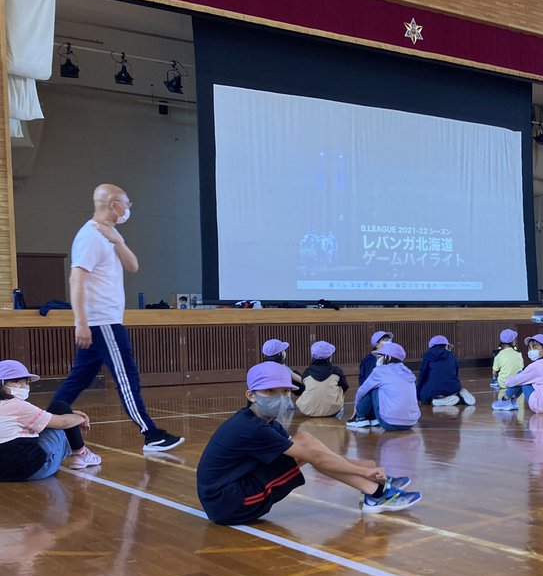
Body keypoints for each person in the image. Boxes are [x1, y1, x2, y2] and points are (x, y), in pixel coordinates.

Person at [197, 362, 420, 523]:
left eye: (285, 391)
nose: (279, 397)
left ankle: (371, 487)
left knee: (303, 439)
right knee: (308, 454)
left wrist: (365, 467)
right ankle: (376, 492)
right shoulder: (253, 429)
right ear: (251, 395)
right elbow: (314, 458)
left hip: (231, 491)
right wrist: (364, 470)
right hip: (228, 504)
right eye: (270, 391)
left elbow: (311, 450)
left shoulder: (261, 421)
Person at [51, 184, 183, 452]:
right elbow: (76, 279)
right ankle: (151, 434)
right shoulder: (90, 236)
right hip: (103, 323)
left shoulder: (109, 235)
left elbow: (133, 266)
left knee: (79, 379)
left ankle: (42, 422)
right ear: (113, 204)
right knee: (126, 378)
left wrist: (118, 241)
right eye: (126, 203)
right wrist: (81, 322)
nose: (128, 208)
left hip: (105, 322)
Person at [0, 359, 101, 480]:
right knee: (60, 408)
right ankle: (81, 454)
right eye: (17, 382)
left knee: (49, 419)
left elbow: (38, 416)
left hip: (3, 474)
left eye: (26, 383)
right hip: (34, 471)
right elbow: (63, 422)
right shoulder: (18, 406)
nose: (23, 386)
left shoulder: (17, 409)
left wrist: (69, 415)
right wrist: (81, 418)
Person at [349, 342, 420, 431]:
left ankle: (361, 418)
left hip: (389, 422)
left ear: (388, 357)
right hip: (411, 422)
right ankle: (373, 418)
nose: (378, 359)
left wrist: (356, 407)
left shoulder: (380, 371)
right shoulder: (408, 372)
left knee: (372, 388)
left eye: (379, 357)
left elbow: (362, 391)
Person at [491, 334, 543, 413]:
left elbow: (510, 382)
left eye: (535, 348)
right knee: (524, 377)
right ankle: (511, 401)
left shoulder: (537, 365)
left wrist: (508, 381)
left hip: (541, 406)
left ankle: (505, 400)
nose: (531, 351)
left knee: (522, 379)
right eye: (529, 348)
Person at [416, 335, 475, 406]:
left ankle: (436, 399)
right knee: (452, 388)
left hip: (433, 390)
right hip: (453, 388)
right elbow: (456, 373)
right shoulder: (452, 355)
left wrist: (418, 395)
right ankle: (459, 395)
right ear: (445, 345)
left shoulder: (427, 356)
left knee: (425, 395)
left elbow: (422, 376)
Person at [295, 341, 349, 417]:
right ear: (330, 357)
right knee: (339, 388)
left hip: (308, 410)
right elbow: (345, 387)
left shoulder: (307, 373)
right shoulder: (336, 372)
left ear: (312, 356)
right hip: (333, 410)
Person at [491, 328, 525, 394]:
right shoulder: (518, 354)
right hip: (517, 383)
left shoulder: (498, 355)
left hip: (503, 384)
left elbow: (494, 372)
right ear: (513, 342)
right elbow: (522, 367)